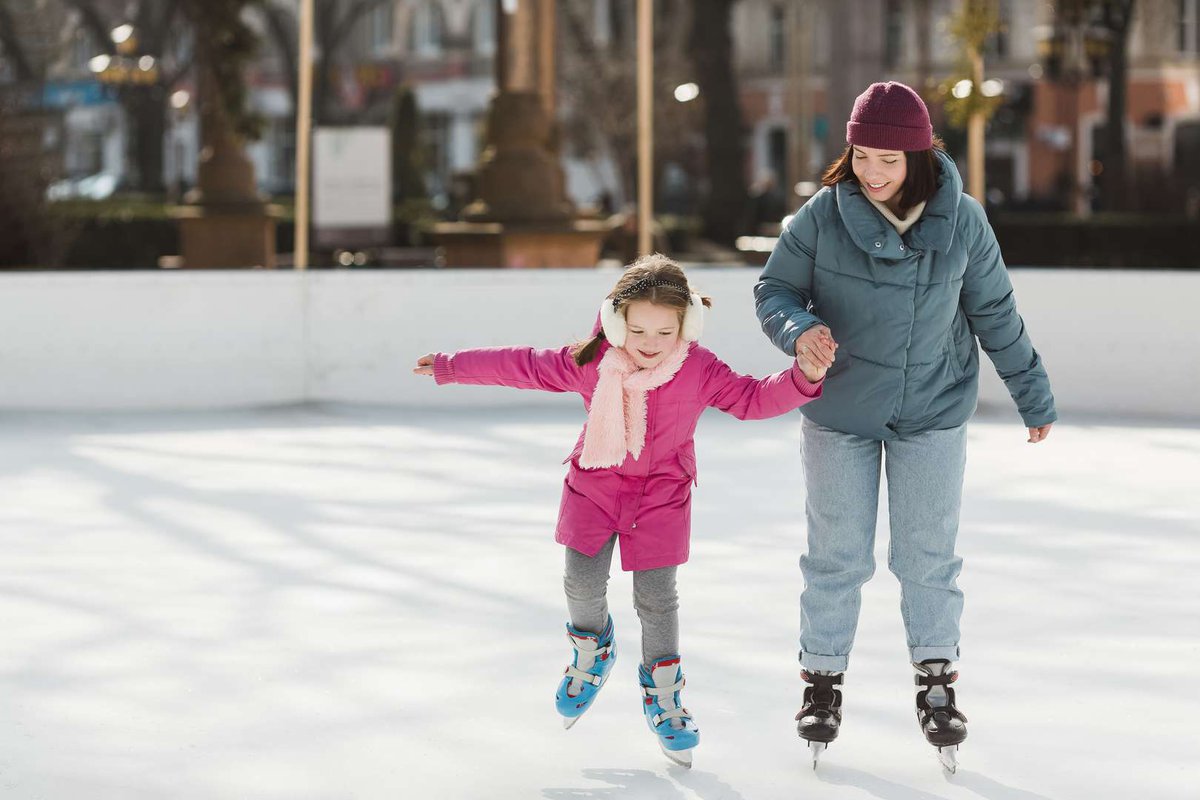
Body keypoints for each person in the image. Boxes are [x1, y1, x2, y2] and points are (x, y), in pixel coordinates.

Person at [414, 254, 829, 767]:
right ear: (616, 322)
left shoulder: (698, 368)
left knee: (657, 599)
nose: (650, 343)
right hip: (594, 484)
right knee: (581, 583)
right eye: (637, 330)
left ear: (685, 325)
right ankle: (593, 650)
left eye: (663, 331)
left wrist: (803, 376)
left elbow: (750, 399)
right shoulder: (592, 361)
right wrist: (453, 367)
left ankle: (664, 692)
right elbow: (522, 365)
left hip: (661, 496)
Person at [754, 82, 1057, 771]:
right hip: (840, 411)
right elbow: (774, 290)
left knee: (927, 556)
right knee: (836, 556)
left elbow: (996, 314)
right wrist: (799, 331)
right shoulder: (822, 216)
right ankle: (822, 681)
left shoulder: (966, 220)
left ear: (919, 155)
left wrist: (1031, 394)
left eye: (888, 159)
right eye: (862, 156)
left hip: (932, 407)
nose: (873, 172)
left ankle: (936, 680)